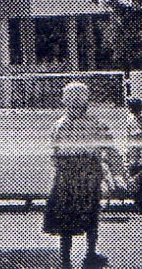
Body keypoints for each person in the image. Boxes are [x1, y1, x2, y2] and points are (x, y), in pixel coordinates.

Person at [43, 82, 123, 269]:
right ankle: (90, 254)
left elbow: (53, 156)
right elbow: (110, 150)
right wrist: (117, 174)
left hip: (67, 175)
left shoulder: (58, 125)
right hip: (88, 174)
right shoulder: (96, 123)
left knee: (66, 218)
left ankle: (66, 261)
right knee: (91, 215)